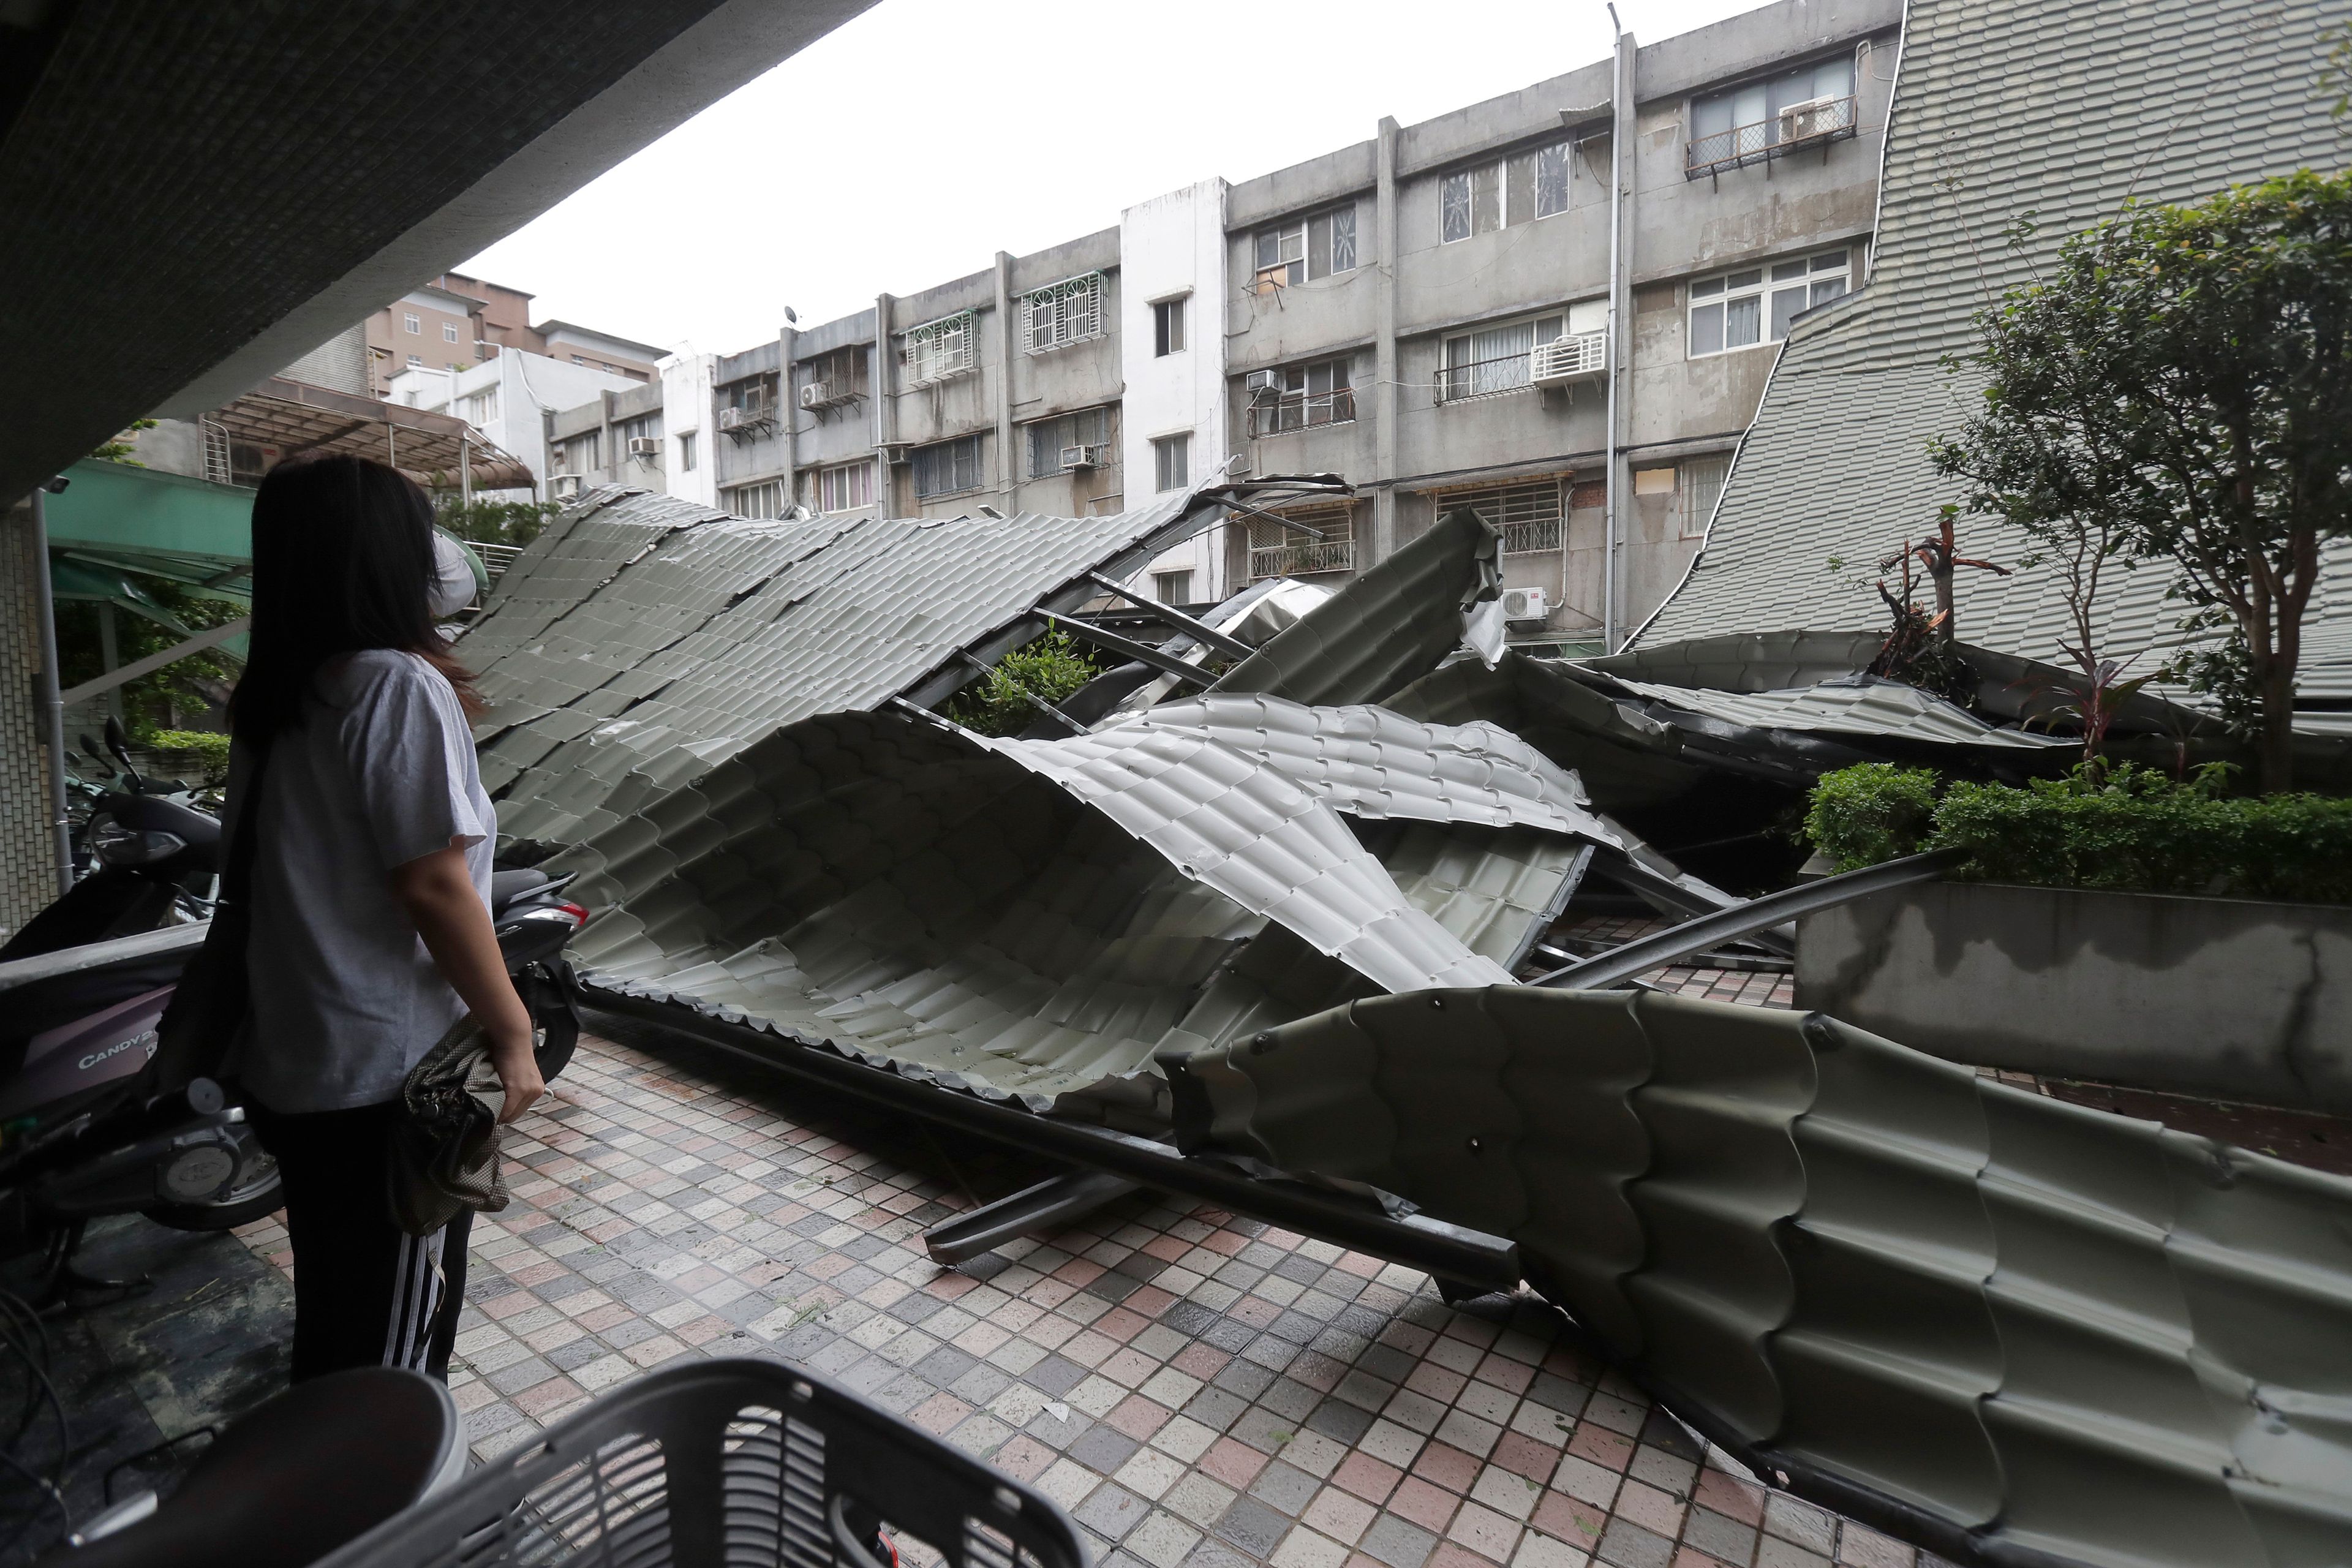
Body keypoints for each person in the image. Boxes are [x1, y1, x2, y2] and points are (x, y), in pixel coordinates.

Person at [225, 454, 541, 1383]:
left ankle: (331, 1489)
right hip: (381, 1084)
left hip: (297, 1065)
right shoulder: (394, 684)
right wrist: (513, 1033)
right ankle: (381, 1510)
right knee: (394, 1347)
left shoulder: (283, 695)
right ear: (383, 560)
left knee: (341, 1303)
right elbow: (435, 886)